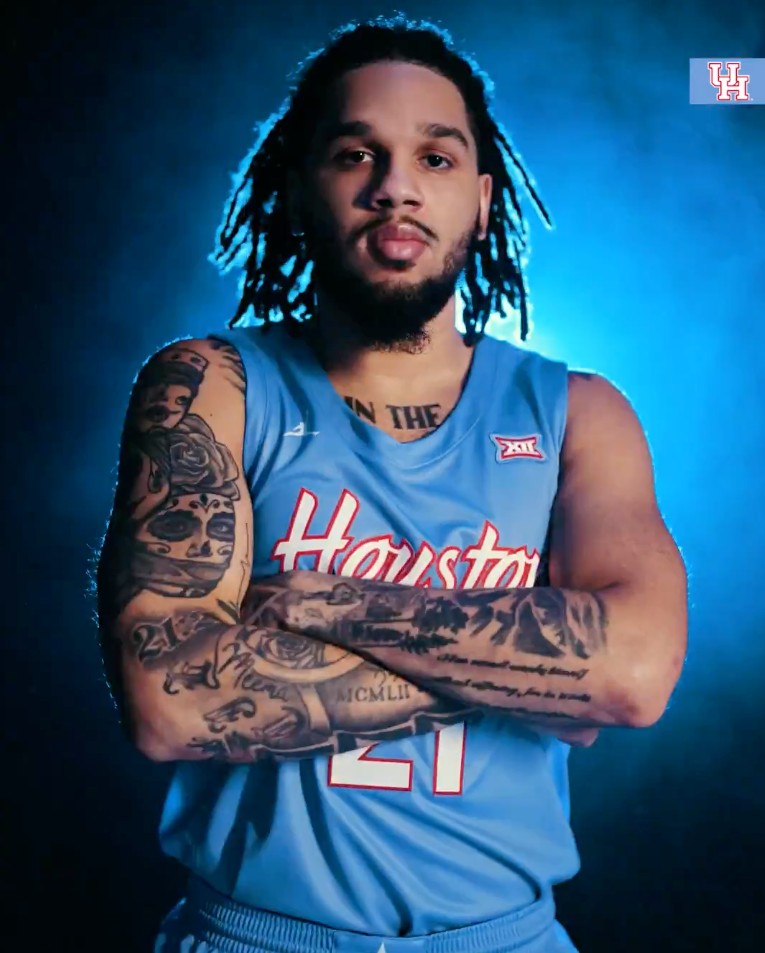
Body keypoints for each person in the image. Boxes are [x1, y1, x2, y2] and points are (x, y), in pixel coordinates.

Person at [96, 16, 687, 953]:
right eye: (354, 154)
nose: (394, 187)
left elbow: (634, 675)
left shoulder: (577, 413)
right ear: (299, 190)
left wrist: (323, 605)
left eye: (435, 158)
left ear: (481, 200)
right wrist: (537, 676)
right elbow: (170, 699)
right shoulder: (213, 387)